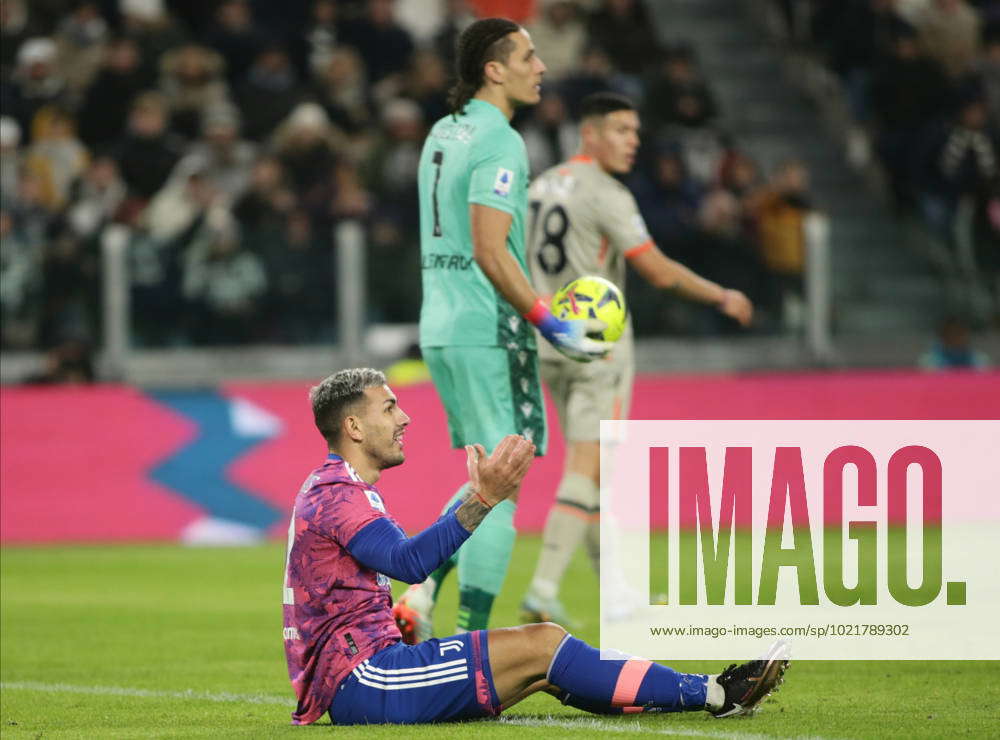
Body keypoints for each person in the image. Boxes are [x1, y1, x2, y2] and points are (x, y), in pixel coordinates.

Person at [282, 367, 790, 725]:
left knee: (550, 665)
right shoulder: (337, 495)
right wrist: (485, 498)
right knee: (544, 644)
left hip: (369, 673)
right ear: (352, 426)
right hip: (369, 681)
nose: (405, 418)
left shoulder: (337, 487)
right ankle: (717, 693)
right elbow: (409, 562)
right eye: (389, 407)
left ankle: (715, 693)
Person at [393, 17, 608, 641]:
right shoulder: (502, 142)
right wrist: (549, 320)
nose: (541, 67)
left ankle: (422, 592)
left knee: (480, 484)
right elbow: (492, 250)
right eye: (529, 56)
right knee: (502, 492)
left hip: (441, 324)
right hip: (489, 329)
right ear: (495, 69)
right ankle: (470, 645)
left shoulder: (441, 132)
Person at [521, 92, 754, 623]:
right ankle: (542, 587)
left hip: (546, 337)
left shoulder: (540, 184)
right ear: (590, 133)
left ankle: (615, 590)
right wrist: (721, 295)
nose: (633, 142)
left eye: (635, 132)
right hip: (598, 347)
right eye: (622, 130)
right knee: (588, 466)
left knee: (597, 471)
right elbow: (658, 271)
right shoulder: (607, 192)